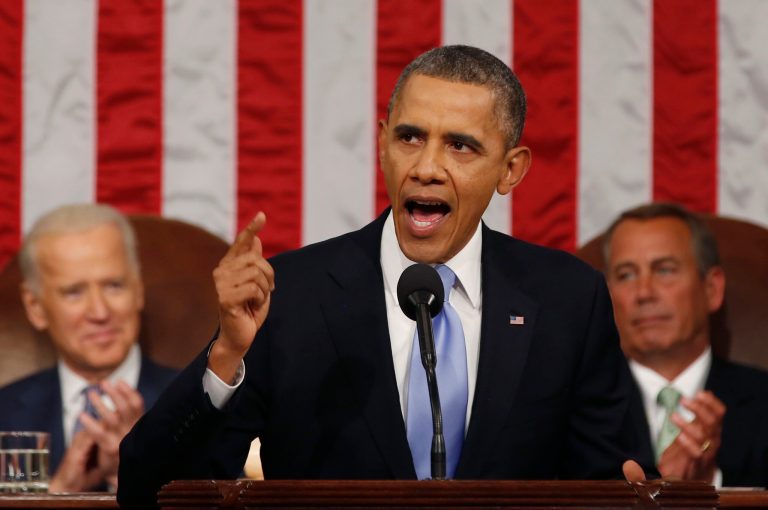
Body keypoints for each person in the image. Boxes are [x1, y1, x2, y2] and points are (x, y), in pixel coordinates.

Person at [118, 45, 636, 509]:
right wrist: (227, 356)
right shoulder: (294, 295)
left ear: (510, 170)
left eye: (460, 146)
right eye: (410, 137)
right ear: (384, 143)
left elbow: (613, 485)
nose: (427, 167)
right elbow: (148, 491)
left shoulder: (567, 300)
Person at [0, 204, 177, 492]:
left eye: (114, 286)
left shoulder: (199, 405)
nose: (99, 312)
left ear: (138, 289)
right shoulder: (4, 414)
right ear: (35, 307)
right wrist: (57, 494)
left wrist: (143, 478)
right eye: (74, 292)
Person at [603, 202, 768, 487]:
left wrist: (708, 484)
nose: (644, 293)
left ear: (711, 289)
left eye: (664, 270)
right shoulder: (578, 409)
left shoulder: (764, 402)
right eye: (626, 275)